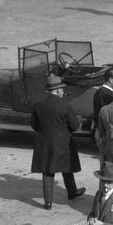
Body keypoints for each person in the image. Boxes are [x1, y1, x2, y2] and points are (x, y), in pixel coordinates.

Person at [31, 75, 84, 210]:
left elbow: (34, 125)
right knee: (67, 168)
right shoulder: (65, 105)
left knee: (48, 171)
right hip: (63, 143)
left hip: (45, 143)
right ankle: (72, 192)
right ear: (58, 90)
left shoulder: (38, 105)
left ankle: (48, 202)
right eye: (62, 89)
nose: (63, 92)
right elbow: (74, 126)